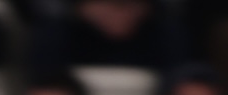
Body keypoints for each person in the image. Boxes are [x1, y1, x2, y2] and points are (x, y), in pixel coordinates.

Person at [32, 0, 184, 77]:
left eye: (125, 5)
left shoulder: (164, 33)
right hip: (84, 44)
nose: (117, 13)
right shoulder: (60, 33)